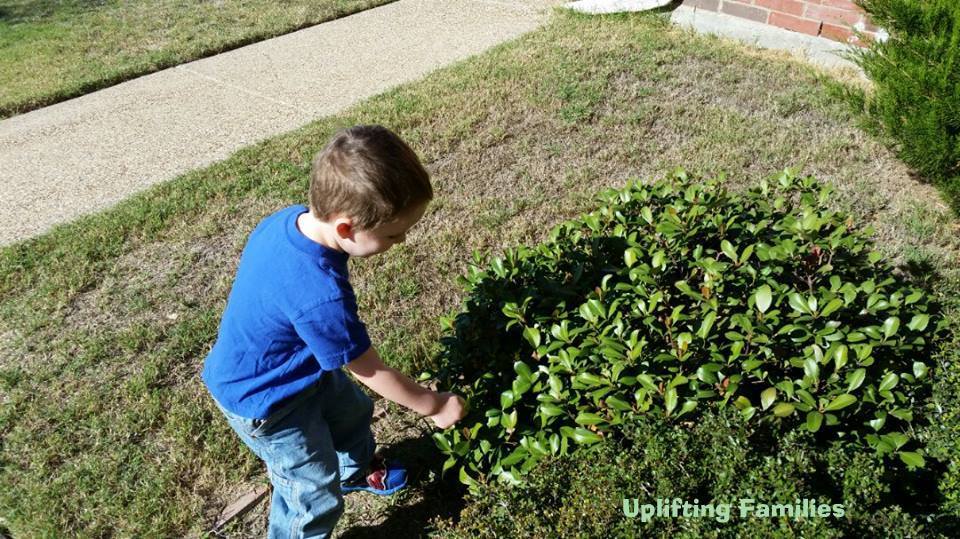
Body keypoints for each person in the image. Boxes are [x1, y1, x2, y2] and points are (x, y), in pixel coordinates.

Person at [202, 124, 467, 538]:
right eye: (393, 234)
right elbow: (369, 369)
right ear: (346, 229)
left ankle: (356, 470)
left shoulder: (288, 221)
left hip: (300, 370)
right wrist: (432, 405)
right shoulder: (319, 297)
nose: (402, 242)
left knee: (352, 415)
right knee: (311, 492)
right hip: (267, 402)